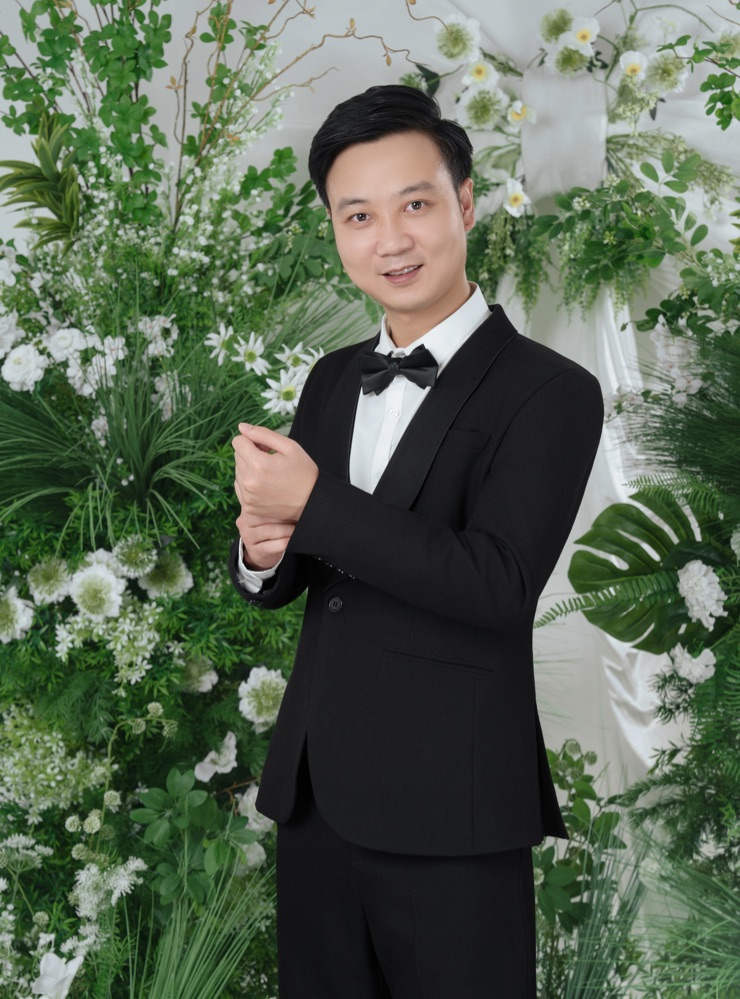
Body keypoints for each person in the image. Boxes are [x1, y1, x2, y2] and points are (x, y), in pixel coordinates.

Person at [229, 84, 603, 998]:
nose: (389, 239)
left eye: (415, 205)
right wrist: (261, 553)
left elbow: (498, 582)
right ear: (335, 230)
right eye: (358, 215)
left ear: (466, 204)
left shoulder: (551, 391)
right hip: (315, 798)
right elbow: (305, 568)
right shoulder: (331, 378)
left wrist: (314, 503)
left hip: (453, 808)